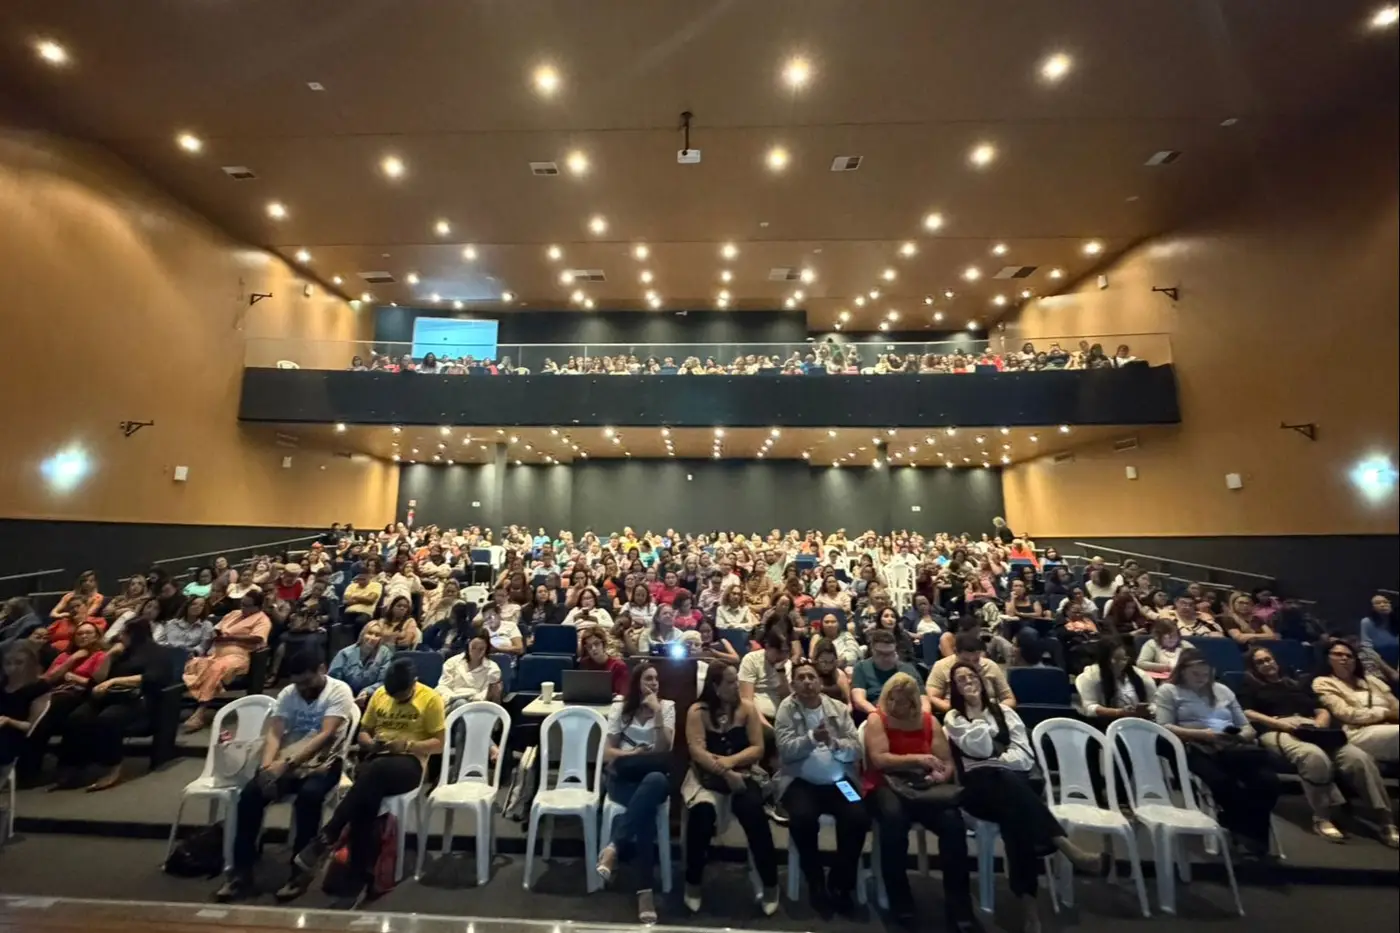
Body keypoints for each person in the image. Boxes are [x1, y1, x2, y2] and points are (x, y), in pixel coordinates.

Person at [945, 661, 1098, 932]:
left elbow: (1024, 756)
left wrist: (998, 761)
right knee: (1006, 784)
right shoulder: (954, 718)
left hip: (1010, 786)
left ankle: (1030, 911)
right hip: (976, 791)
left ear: (981, 680)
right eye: (961, 680)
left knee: (1015, 819)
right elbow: (980, 749)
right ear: (955, 688)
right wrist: (979, 720)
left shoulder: (1004, 712)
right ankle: (1063, 844)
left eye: (971, 676)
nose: (968, 682)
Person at [294, 657, 445, 900]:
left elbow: (439, 744)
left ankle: (331, 834)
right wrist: (371, 743)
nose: (397, 700)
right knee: (368, 795)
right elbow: (364, 732)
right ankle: (361, 869)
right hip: (377, 759)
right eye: (393, 696)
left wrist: (407, 745)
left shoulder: (430, 698)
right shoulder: (380, 695)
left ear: (413, 683)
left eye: (402, 697)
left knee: (372, 775)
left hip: (410, 763)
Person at [216, 652, 356, 902]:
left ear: (322, 669)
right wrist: (267, 768)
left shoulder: (339, 691)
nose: (302, 689)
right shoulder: (288, 694)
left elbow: (325, 734)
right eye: (298, 683)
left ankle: (299, 872)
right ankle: (241, 872)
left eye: (307, 682)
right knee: (250, 795)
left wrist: (287, 764)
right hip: (288, 758)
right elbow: (275, 732)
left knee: (309, 797)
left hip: (325, 761)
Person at [1239, 646, 1397, 847]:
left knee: (1358, 758)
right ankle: (1322, 816)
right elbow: (1247, 712)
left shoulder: (1296, 684)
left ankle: (1385, 819)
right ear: (1252, 668)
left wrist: (1320, 722)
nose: (1266, 664)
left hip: (1311, 726)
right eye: (1259, 662)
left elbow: (1320, 708)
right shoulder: (1250, 687)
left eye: (1268, 659)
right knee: (1313, 756)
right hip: (1277, 728)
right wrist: (1280, 724)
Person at [863, 671, 978, 930]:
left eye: (902, 701)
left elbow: (946, 761)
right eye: (891, 699)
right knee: (893, 820)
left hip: (923, 786)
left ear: (913, 701)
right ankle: (899, 899)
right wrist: (918, 759)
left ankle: (959, 903)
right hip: (886, 784)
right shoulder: (877, 719)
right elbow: (880, 759)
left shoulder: (929, 721)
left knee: (952, 823)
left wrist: (941, 775)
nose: (895, 705)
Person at [1153, 648, 1281, 857]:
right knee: (1223, 782)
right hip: (1195, 745)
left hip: (1231, 746)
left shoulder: (1223, 691)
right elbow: (1164, 726)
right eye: (1195, 674)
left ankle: (1245, 831)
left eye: (1206, 674)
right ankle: (1248, 835)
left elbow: (1247, 726)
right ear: (1182, 671)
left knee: (1268, 781)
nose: (1201, 679)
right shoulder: (1169, 691)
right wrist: (1204, 734)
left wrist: (1238, 736)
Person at [681, 663, 780, 915]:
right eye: (730, 682)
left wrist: (731, 763)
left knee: (753, 813)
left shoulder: (747, 709)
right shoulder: (698, 711)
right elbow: (697, 752)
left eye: (736, 681)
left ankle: (770, 883)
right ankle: (692, 882)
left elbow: (757, 748)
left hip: (744, 772)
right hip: (707, 777)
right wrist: (726, 773)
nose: (736, 686)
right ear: (715, 686)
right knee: (701, 814)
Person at [774, 658, 869, 917]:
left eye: (811, 677)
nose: (807, 682)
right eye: (801, 678)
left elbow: (856, 750)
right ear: (793, 684)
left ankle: (840, 883)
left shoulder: (838, 708)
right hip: (800, 782)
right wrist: (811, 739)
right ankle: (815, 881)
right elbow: (786, 751)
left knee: (859, 816)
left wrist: (835, 744)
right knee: (802, 818)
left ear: (819, 682)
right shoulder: (786, 709)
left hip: (840, 782)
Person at [596, 662, 676, 923]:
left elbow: (664, 749)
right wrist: (633, 754)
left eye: (656, 679)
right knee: (645, 812)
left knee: (655, 779)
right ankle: (645, 893)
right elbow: (608, 754)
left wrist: (657, 713)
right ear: (636, 683)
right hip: (623, 780)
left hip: (653, 780)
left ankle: (613, 847)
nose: (653, 684)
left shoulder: (667, 707)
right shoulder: (620, 708)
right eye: (648, 679)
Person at [53, 617, 172, 791]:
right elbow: (98, 678)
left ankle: (113, 767)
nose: (120, 636)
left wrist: (115, 681)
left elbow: (153, 677)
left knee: (107, 719)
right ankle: (75, 767)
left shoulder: (157, 652)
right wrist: (109, 656)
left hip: (138, 699)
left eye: (124, 633)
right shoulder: (120, 652)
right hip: (109, 696)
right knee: (77, 718)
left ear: (135, 634)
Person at [181, 591, 273, 732]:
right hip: (216, 652)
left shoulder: (262, 619)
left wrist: (231, 637)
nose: (243, 608)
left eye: (247, 605)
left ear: (257, 607)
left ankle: (200, 712)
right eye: (242, 604)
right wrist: (215, 635)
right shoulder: (233, 614)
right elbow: (217, 629)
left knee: (216, 668)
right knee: (195, 664)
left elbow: (257, 638)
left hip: (238, 656)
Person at [1312, 639, 1399, 763]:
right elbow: (1346, 714)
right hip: (1356, 732)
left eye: (1349, 656)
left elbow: (1395, 705)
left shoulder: (1371, 680)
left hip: (1388, 726)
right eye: (1338, 654)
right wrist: (1385, 714)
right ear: (1327, 659)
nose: (1345, 658)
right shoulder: (1323, 682)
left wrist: (1392, 715)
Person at [926, 631, 1016, 715]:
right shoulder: (941, 666)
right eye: (965, 660)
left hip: (990, 714)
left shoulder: (990, 666)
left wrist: (992, 711)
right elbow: (932, 697)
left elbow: (1009, 699)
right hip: (955, 715)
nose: (971, 665)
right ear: (955, 652)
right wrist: (957, 711)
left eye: (976, 660)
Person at [0, 643, 51, 781]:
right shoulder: (2, 684)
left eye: (19, 663)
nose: (12, 668)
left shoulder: (39, 687)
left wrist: (9, 721)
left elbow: (32, 726)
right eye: (8, 663)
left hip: (16, 735)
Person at [1076, 638, 1156, 720]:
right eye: (1115, 659)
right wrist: (1118, 712)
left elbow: (1154, 702)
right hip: (1106, 723)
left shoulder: (1141, 675)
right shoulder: (1090, 676)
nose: (1118, 663)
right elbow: (1089, 708)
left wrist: (1148, 710)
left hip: (1139, 721)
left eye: (1123, 659)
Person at [851, 629, 925, 717]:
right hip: (874, 714)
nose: (886, 658)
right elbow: (859, 701)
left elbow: (923, 700)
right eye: (880, 653)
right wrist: (880, 716)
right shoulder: (861, 667)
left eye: (889, 653)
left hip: (906, 716)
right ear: (872, 650)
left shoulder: (908, 669)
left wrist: (922, 717)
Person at [328, 621, 395, 703]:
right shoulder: (345, 653)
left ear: (381, 638)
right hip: (343, 696)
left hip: (372, 697)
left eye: (377, 635)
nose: (372, 638)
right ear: (362, 634)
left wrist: (367, 691)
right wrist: (348, 696)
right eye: (369, 633)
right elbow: (333, 680)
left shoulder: (385, 654)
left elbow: (383, 681)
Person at [435, 633, 502, 710]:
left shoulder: (492, 668)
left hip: (477, 706)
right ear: (468, 645)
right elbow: (443, 686)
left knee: (463, 704)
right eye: (473, 647)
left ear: (486, 649)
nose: (476, 652)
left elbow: (485, 693)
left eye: (481, 649)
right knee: (460, 703)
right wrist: (453, 697)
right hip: (451, 702)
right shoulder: (452, 662)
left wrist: (470, 699)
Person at [737, 630, 792, 723]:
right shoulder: (751, 660)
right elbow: (746, 700)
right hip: (757, 718)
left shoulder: (787, 664)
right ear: (767, 646)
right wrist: (767, 726)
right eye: (779, 651)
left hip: (782, 718)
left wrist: (781, 671)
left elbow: (786, 700)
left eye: (786, 652)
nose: (783, 656)